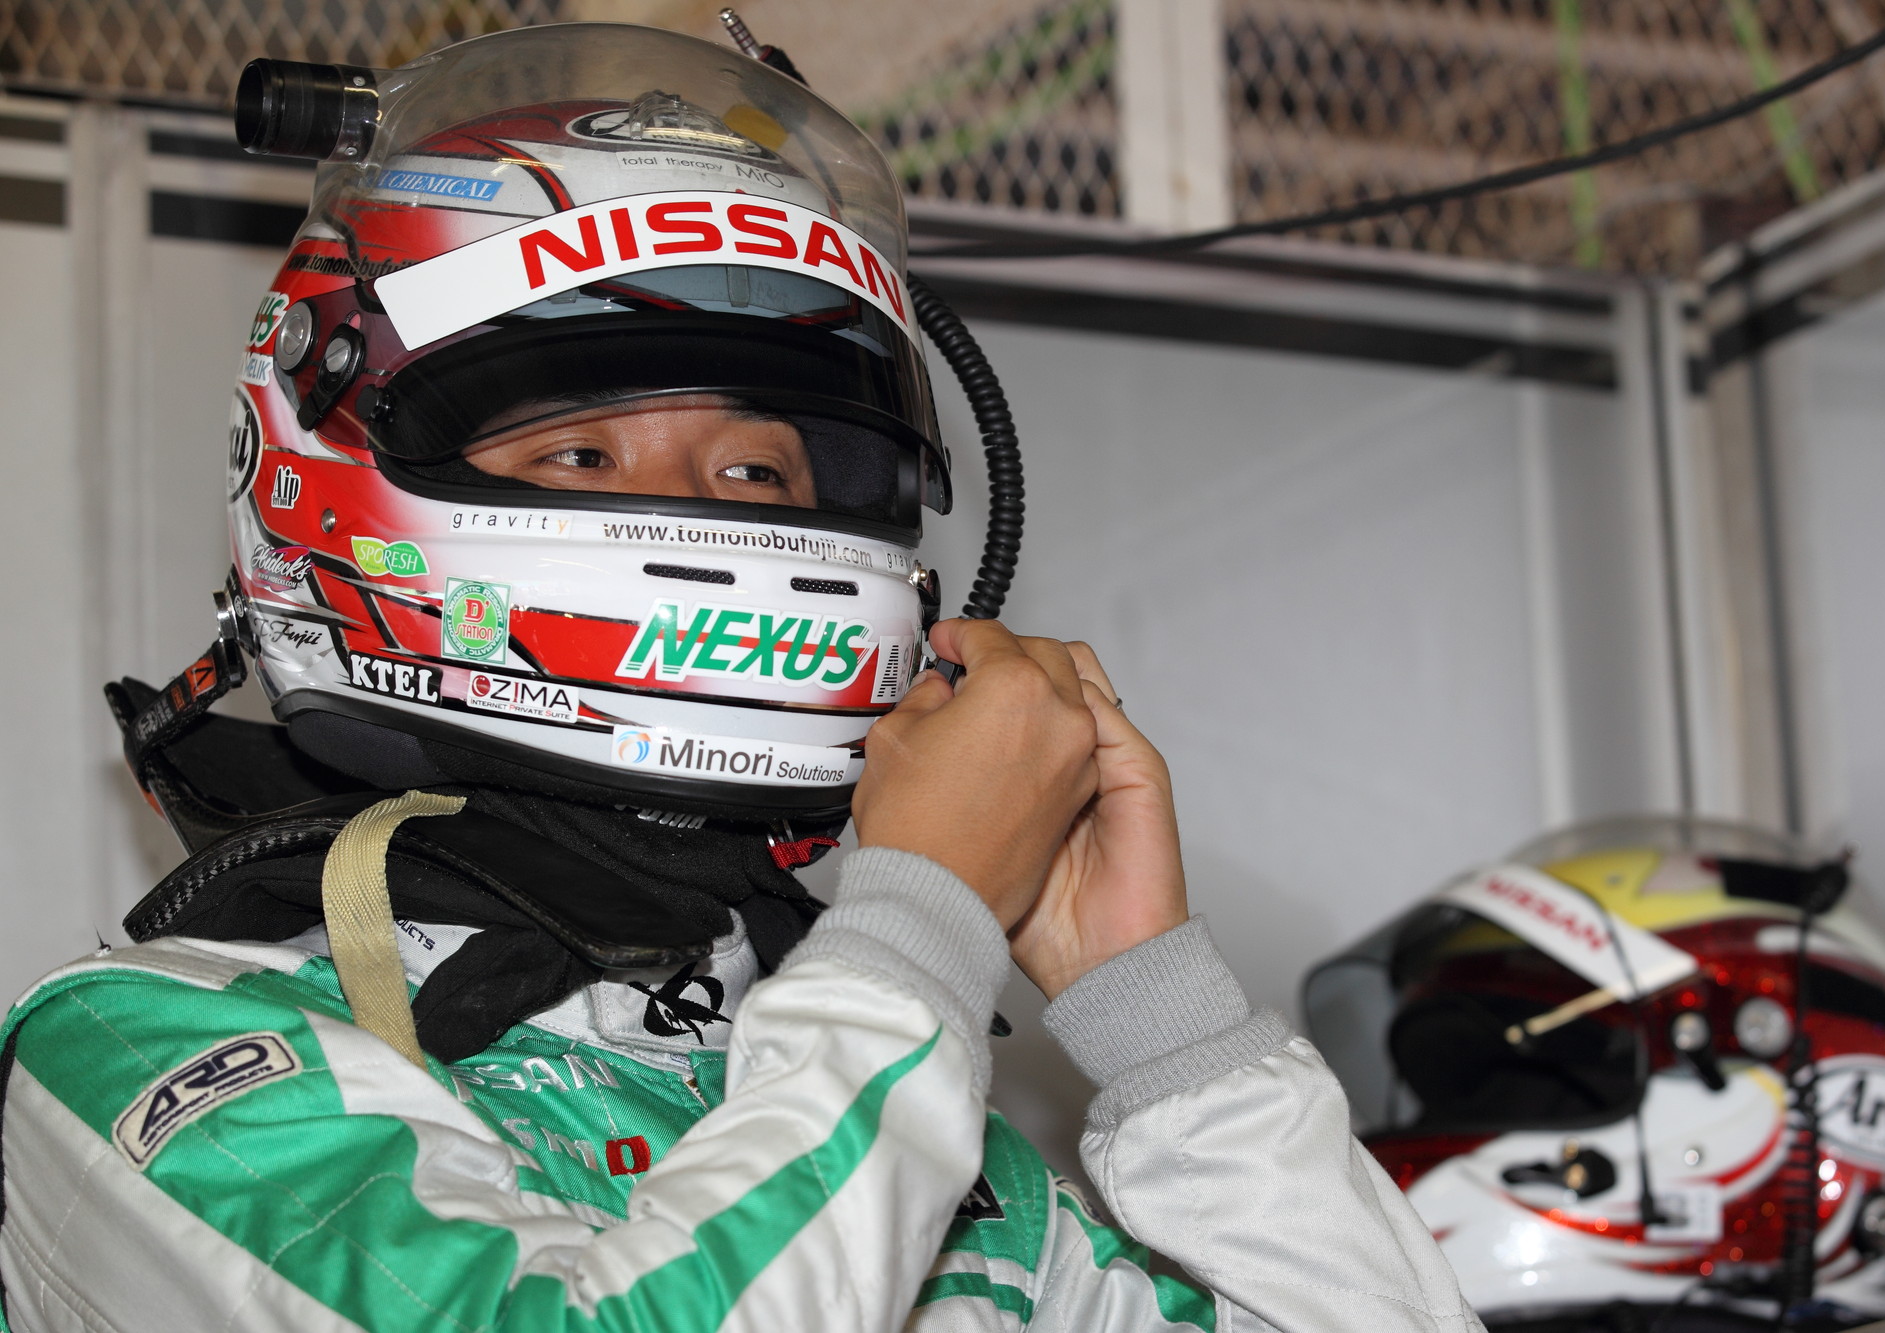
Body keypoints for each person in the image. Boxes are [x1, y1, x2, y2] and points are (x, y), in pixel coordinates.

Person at [0, 24, 1479, 1332]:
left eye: (759, 469)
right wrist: (917, 926)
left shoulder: (906, 1113)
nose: (702, 512)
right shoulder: (142, 1056)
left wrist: (1157, 1020)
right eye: (584, 450)